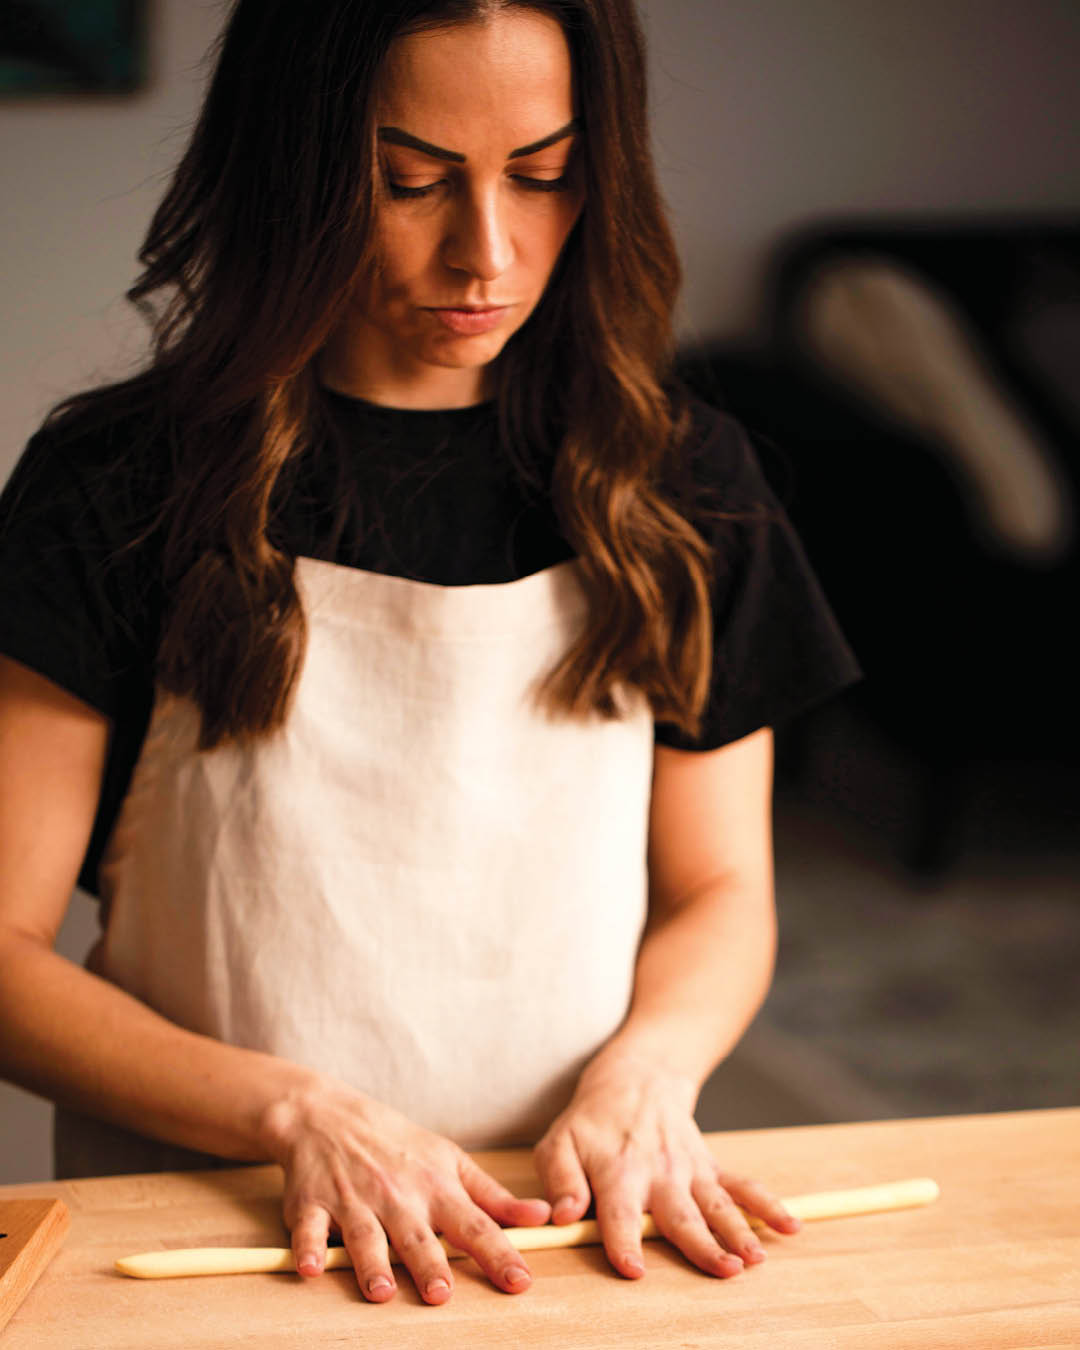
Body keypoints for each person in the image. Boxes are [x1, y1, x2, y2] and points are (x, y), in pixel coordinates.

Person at [0, 0, 859, 1308]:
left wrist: (648, 1074)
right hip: (216, 1233)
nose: (486, 250)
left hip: (568, 1230)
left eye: (547, 174)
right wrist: (298, 1114)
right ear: (294, 169)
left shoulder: (681, 481)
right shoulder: (117, 484)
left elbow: (720, 887)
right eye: (409, 183)